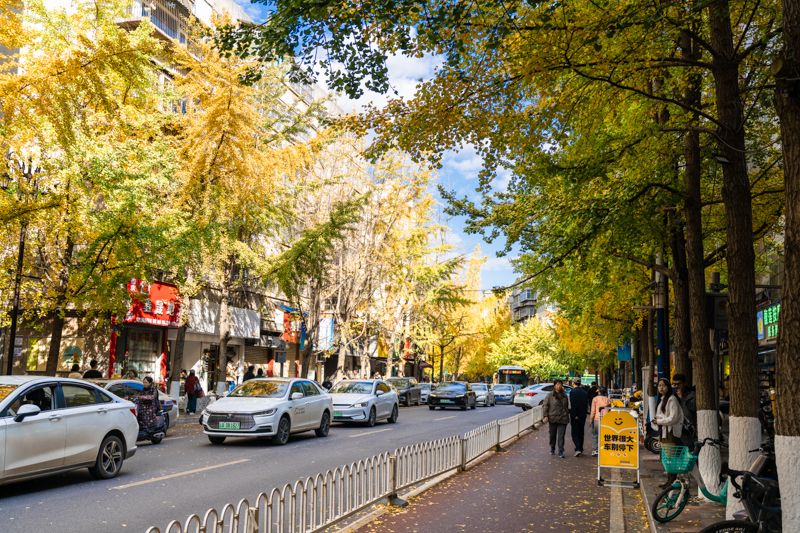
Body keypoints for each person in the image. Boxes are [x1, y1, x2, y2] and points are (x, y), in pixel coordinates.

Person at [654, 377, 684, 488]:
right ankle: (670, 482)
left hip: (670, 434)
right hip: (664, 433)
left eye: (663, 385)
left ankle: (672, 482)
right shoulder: (662, 399)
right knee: (667, 458)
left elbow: (673, 418)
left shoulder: (672, 399)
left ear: (668, 387)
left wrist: (659, 421)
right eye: (659, 385)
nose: (661, 388)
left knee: (671, 459)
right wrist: (656, 421)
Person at [542, 380, 570, 458]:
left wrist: (567, 414)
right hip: (553, 418)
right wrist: (545, 415)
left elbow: (566, 407)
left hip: (563, 418)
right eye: (557, 384)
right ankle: (552, 448)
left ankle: (561, 451)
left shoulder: (565, 395)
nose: (559, 386)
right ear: (554, 386)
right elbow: (545, 405)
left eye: (560, 384)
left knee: (561, 436)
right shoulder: (550, 395)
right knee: (552, 435)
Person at [671, 373, 697, 444]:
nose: (676, 386)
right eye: (674, 384)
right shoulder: (672, 396)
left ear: (684, 384)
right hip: (675, 431)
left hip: (688, 432)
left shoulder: (691, 395)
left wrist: (681, 398)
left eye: (678, 384)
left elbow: (692, 409)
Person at [569, 378, 589, 456]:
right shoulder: (584, 392)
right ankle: (580, 448)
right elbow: (585, 404)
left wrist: (575, 415)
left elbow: (574, 404)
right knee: (581, 432)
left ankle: (577, 448)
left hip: (575, 415)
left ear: (573, 383)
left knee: (575, 432)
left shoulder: (572, 392)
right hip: (583, 415)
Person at [589, 387, 612, 456]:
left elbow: (593, 410)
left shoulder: (595, 399)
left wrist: (591, 420)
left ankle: (595, 450)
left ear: (598, 392)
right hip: (606, 419)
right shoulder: (608, 400)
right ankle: (604, 449)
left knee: (595, 435)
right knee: (604, 435)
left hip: (597, 419)